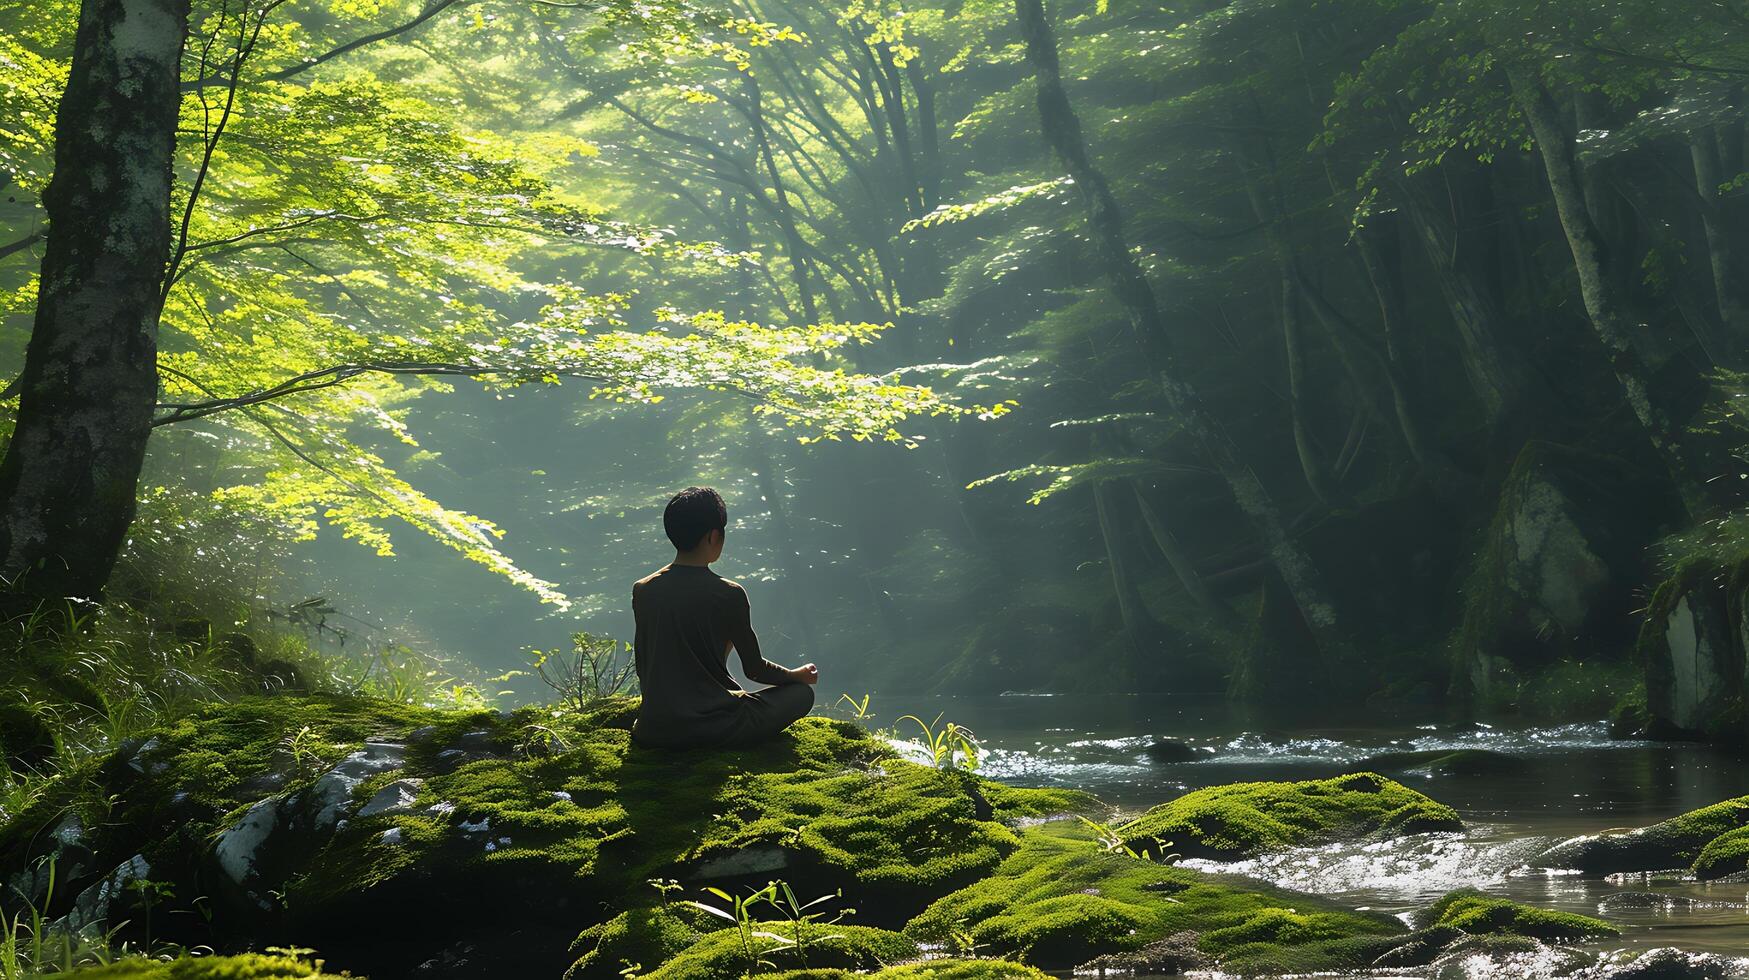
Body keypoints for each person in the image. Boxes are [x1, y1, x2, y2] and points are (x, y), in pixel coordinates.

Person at [630, 486, 818, 748]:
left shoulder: (644, 589)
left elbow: (645, 665)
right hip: (715, 728)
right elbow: (754, 670)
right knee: (801, 695)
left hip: (654, 729)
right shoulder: (729, 593)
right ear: (713, 536)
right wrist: (796, 675)